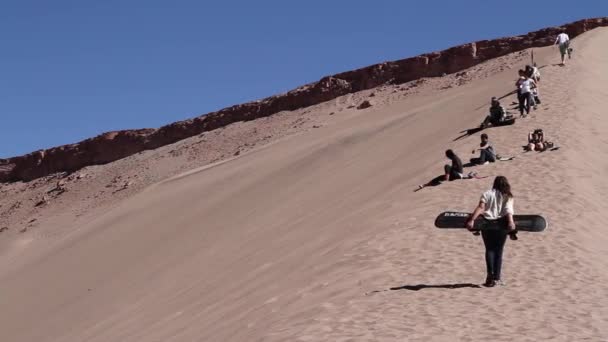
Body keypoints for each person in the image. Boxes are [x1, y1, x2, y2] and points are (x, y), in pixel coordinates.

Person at [465, 176, 517, 287]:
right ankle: (497, 278)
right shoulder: (508, 195)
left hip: (486, 224)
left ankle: (490, 277)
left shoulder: (487, 193)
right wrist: (511, 222)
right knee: (499, 251)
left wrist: (472, 220)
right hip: (501, 225)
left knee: (489, 249)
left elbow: (481, 208)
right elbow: (508, 210)